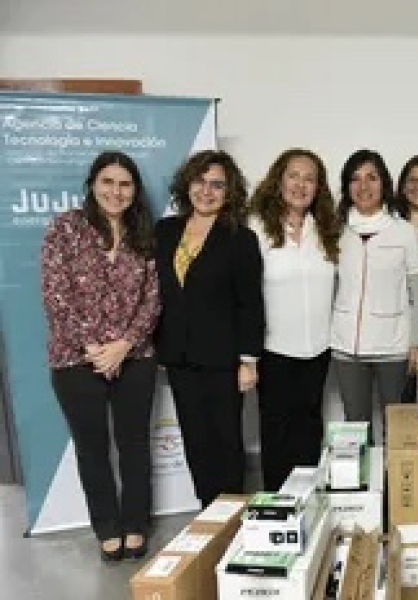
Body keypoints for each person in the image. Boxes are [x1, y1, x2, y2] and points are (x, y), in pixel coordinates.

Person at [40, 151, 159, 562]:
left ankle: (135, 524)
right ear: (92, 184)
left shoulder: (144, 234)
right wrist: (93, 348)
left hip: (135, 356)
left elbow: (153, 299)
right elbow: (56, 294)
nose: (116, 191)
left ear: (135, 190)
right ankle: (107, 527)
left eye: (125, 184)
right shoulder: (65, 229)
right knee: (91, 448)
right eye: (107, 182)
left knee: (134, 445)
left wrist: (125, 344)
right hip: (75, 359)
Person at [154, 150, 264, 508]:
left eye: (217, 185)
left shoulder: (241, 239)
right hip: (179, 357)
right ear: (187, 184)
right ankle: (208, 511)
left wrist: (248, 360)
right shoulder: (164, 231)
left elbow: (250, 304)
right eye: (200, 182)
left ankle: (231, 518)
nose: (207, 191)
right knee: (196, 442)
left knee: (226, 444)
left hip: (223, 360)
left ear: (229, 192)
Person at [247, 149, 340, 490]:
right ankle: (278, 503)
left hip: (318, 349)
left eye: (309, 179)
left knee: (309, 428)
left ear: (318, 188)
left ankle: (308, 501)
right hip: (274, 350)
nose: (301, 185)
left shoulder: (326, 230)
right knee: (277, 433)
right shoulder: (256, 228)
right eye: (293, 176)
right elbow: (246, 294)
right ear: (278, 181)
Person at [330, 149, 418, 443]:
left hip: (394, 346)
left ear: (384, 183)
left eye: (371, 178)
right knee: (355, 426)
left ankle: (394, 475)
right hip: (347, 346)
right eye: (355, 179)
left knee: (397, 426)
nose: (364, 186)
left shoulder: (405, 232)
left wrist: (417, 344)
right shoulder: (335, 231)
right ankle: (361, 475)